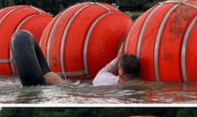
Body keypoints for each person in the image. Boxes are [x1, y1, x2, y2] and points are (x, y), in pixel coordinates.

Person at [11, 30, 140, 86]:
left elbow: (109, 67)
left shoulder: (105, 78)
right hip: (93, 89)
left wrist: (118, 56)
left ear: (121, 71)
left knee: (50, 76)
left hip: (80, 89)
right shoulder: (139, 84)